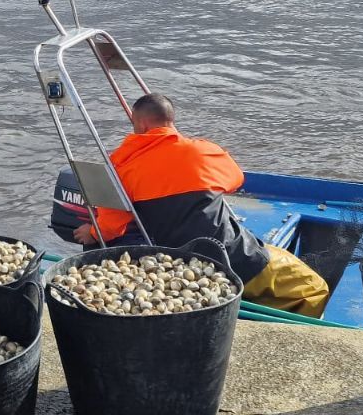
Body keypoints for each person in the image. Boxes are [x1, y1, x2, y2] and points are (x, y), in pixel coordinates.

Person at [76, 93, 331, 317]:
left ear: (140, 123)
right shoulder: (202, 151)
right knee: (313, 288)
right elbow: (235, 180)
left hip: (175, 262)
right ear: (171, 120)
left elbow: (110, 228)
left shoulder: (119, 167)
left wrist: (88, 232)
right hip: (233, 256)